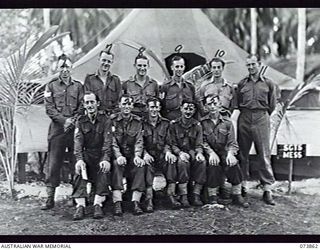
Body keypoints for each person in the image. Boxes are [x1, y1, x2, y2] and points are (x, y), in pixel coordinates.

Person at [42, 54, 84, 210]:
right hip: (57, 130)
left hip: (74, 129)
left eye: (67, 66)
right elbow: (49, 108)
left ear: (71, 68)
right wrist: (64, 120)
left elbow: (81, 106)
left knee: (76, 162)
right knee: (53, 163)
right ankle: (49, 198)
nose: (65, 70)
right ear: (57, 68)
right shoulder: (51, 86)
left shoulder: (78, 86)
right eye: (62, 67)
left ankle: (76, 196)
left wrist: (72, 121)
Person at [236, 54, 277, 205]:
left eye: (253, 64)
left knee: (264, 154)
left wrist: (262, 115)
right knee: (242, 154)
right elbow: (239, 103)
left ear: (259, 64)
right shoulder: (242, 84)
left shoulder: (269, 83)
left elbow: (272, 105)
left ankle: (267, 189)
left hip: (261, 117)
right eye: (248, 65)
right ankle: (242, 186)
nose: (251, 67)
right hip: (245, 117)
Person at [201, 95, 249, 208]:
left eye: (215, 104)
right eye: (209, 104)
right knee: (213, 164)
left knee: (234, 163)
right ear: (206, 107)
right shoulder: (203, 123)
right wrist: (211, 152)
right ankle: (212, 196)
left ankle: (236, 194)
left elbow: (232, 142)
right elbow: (201, 141)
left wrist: (230, 154)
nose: (212, 107)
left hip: (224, 151)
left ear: (220, 105)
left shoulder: (227, 123)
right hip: (209, 152)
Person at [71, 91, 113, 220]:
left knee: (104, 168)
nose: (90, 105)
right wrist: (79, 160)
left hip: (101, 153)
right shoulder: (80, 121)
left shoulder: (106, 120)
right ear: (83, 105)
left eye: (92, 102)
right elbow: (78, 142)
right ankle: (80, 205)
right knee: (79, 169)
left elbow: (107, 142)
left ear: (97, 103)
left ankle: (97, 204)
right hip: (87, 154)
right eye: (87, 102)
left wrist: (105, 159)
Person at [111, 95, 146, 216]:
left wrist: (137, 156)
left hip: (131, 155)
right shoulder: (112, 120)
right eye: (124, 104)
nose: (126, 107)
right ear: (120, 105)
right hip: (117, 155)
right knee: (116, 165)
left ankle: (136, 201)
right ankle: (117, 202)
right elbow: (112, 141)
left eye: (129, 104)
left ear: (132, 106)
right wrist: (118, 155)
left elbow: (139, 140)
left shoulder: (137, 121)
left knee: (140, 165)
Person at [168, 99, 206, 208]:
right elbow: (172, 144)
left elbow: (199, 144)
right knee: (182, 163)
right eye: (185, 109)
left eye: (191, 109)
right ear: (181, 109)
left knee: (202, 162)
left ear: (194, 110)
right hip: (179, 152)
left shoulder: (197, 125)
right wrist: (179, 153)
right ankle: (183, 195)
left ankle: (196, 194)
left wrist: (199, 153)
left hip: (192, 152)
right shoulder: (174, 124)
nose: (188, 112)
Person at [142, 97, 177, 212]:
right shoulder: (141, 123)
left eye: (156, 107)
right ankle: (149, 198)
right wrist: (145, 154)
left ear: (160, 108)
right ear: (147, 108)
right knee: (147, 165)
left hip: (161, 153)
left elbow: (168, 142)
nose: (154, 110)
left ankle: (171, 195)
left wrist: (168, 152)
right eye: (152, 107)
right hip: (148, 154)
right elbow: (139, 142)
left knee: (171, 161)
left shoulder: (166, 123)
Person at [84, 45, 122, 116]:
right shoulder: (89, 79)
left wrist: (113, 115)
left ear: (112, 62)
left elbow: (119, 102)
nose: (106, 63)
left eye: (109, 61)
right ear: (99, 59)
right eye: (104, 60)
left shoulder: (116, 80)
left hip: (112, 117)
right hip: (95, 117)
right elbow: (86, 100)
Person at [160, 55, 196, 121]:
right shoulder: (165, 86)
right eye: (177, 67)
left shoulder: (190, 86)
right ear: (172, 67)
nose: (179, 69)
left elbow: (194, 105)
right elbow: (162, 107)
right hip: (171, 122)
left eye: (181, 66)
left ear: (184, 67)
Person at [122, 53, 159, 118]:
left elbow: (157, 101)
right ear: (135, 66)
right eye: (139, 65)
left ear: (148, 66)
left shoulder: (154, 84)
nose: (142, 68)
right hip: (132, 116)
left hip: (148, 116)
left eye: (144, 65)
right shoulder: (127, 84)